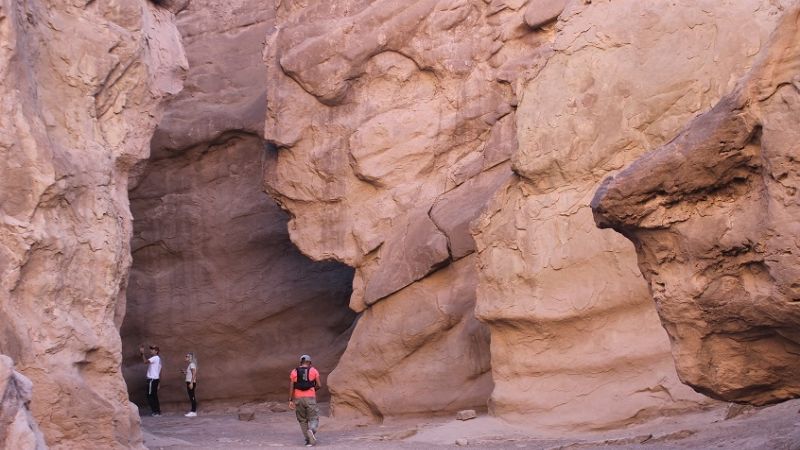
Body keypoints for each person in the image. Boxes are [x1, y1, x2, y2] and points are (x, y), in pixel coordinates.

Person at [289, 354, 321, 446]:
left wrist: (290, 399)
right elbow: (319, 385)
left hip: (298, 399)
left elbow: (291, 386)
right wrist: (313, 389)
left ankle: (308, 440)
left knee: (302, 420)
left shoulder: (294, 371)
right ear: (310, 362)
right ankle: (312, 430)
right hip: (310, 398)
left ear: (300, 362)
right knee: (314, 418)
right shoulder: (313, 370)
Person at [139, 344, 162, 416]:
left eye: (153, 349)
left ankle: (155, 411)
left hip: (152, 380)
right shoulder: (159, 359)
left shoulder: (155, 358)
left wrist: (142, 354)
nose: (151, 350)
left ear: (156, 351)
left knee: (149, 395)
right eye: (151, 349)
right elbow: (160, 371)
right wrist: (159, 382)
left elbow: (145, 362)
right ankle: (157, 411)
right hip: (155, 379)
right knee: (154, 396)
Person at [181, 352, 198, 417]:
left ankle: (193, 411)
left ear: (190, 357)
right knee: (191, 396)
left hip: (191, 382)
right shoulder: (190, 364)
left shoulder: (192, 364)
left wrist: (191, 383)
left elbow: (194, 373)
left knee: (192, 396)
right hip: (189, 382)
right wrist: (185, 372)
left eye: (187, 356)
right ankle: (193, 411)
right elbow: (190, 373)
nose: (186, 357)